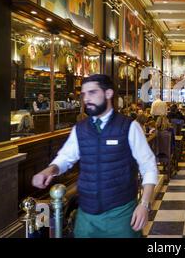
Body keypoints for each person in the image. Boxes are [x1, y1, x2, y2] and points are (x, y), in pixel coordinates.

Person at [31, 74, 158, 238]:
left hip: (121, 213)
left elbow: (149, 167)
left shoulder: (129, 127)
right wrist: (50, 170)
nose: (86, 99)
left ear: (108, 93)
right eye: (84, 94)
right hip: (87, 215)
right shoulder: (80, 129)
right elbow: (66, 157)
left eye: (92, 93)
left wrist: (144, 205)